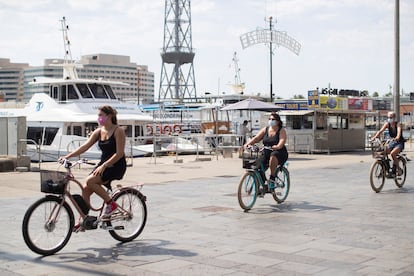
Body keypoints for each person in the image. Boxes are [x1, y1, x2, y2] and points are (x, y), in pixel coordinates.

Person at [61, 105, 127, 219]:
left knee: (90, 181)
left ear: (109, 116)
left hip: (116, 165)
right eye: (98, 115)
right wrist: (67, 156)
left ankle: (111, 204)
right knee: (86, 188)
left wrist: (104, 166)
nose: (99, 118)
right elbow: (85, 146)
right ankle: (84, 219)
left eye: (101, 115)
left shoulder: (118, 131)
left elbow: (119, 153)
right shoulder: (99, 131)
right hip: (103, 165)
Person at [243, 112, 288, 190]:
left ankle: (272, 177)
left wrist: (277, 146)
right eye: (269, 119)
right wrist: (248, 144)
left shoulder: (281, 130)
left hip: (279, 152)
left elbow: (282, 140)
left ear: (277, 121)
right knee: (257, 166)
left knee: (273, 156)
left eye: (273, 119)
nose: (271, 121)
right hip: (266, 151)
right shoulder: (266, 129)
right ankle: (263, 185)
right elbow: (256, 138)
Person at [370, 111, 405, 176]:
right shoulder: (387, 124)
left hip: (399, 143)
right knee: (383, 152)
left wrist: (397, 137)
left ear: (394, 118)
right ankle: (385, 168)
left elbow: (399, 132)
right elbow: (380, 131)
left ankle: (399, 169)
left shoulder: (398, 124)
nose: (389, 118)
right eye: (388, 117)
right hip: (392, 142)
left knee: (392, 153)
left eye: (391, 117)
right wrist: (374, 137)